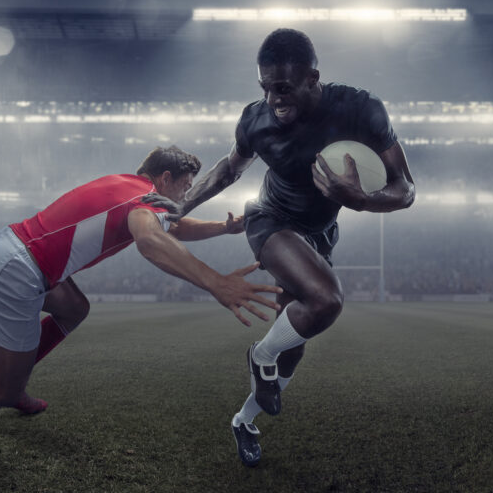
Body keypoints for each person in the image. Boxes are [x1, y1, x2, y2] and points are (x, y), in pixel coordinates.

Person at [0, 146, 282, 440]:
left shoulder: (130, 185)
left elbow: (172, 225)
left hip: (15, 252)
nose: (188, 196)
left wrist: (224, 227)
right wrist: (217, 281)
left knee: (75, 307)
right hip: (17, 271)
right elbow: (151, 240)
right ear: (165, 178)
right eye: (186, 187)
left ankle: (16, 380)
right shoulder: (142, 201)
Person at [174, 28, 415, 467]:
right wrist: (179, 205)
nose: (273, 99)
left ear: (312, 78)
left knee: (296, 342)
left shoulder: (361, 110)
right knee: (326, 299)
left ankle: (243, 421)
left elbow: (406, 189)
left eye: (283, 89)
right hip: (270, 219)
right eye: (265, 88)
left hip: (318, 234)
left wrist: (363, 200)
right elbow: (228, 171)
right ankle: (259, 354)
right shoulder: (255, 120)